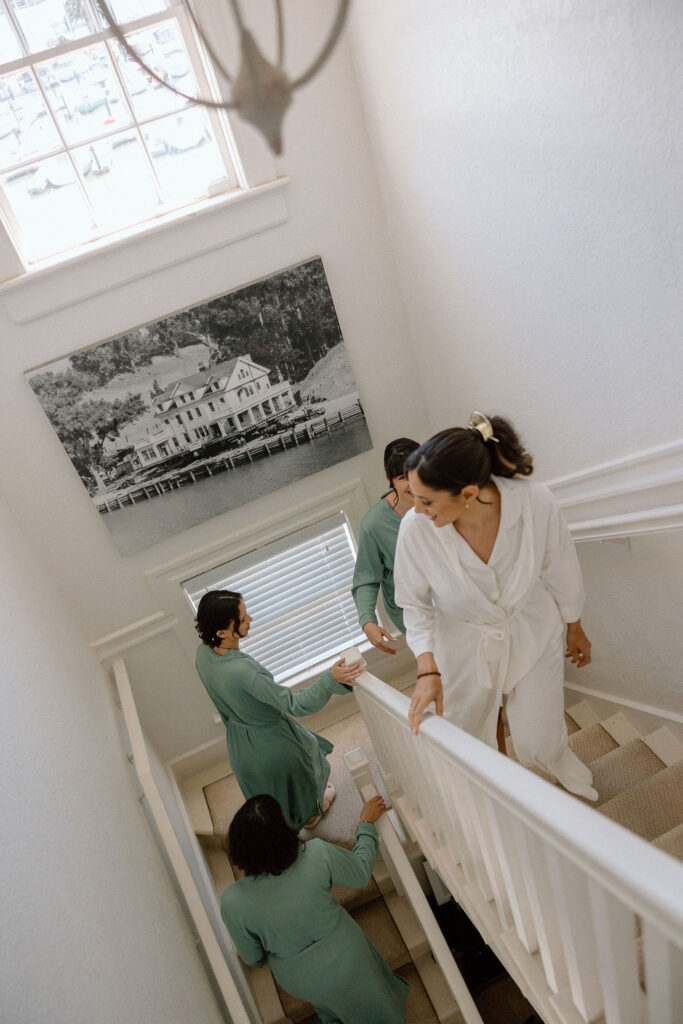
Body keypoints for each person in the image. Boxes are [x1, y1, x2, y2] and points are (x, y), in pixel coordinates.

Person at [394, 412, 597, 801]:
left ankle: (549, 799)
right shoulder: (415, 531)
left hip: (531, 629)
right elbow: (413, 605)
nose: (417, 510)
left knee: (538, 741)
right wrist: (427, 668)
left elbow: (561, 568)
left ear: (468, 494)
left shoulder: (536, 503)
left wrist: (575, 625)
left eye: (426, 501)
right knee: (466, 740)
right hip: (461, 641)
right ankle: (490, 808)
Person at [221, 793, 409, 1024]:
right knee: (379, 1006)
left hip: (300, 979)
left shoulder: (232, 902)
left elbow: (254, 959)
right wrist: (367, 825)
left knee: (330, 1007)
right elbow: (360, 873)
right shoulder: (317, 854)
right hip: (349, 957)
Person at [195, 590, 363, 829]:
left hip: (240, 747)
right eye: (242, 619)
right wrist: (329, 679)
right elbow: (296, 705)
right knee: (305, 762)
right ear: (221, 632)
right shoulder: (246, 673)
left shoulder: (202, 654)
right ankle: (311, 815)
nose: (250, 619)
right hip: (273, 745)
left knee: (273, 793)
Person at [352, 438, 420, 654]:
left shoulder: (444, 499)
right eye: (402, 477)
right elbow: (366, 578)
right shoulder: (373, 525)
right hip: (411, 611)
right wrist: (368, 621)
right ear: (390, 479)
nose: (413, 483)